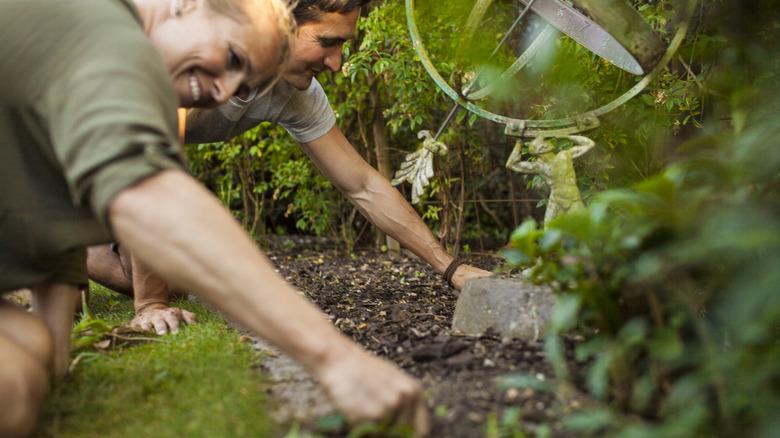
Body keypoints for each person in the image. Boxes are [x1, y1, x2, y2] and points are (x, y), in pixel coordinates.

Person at [0, 0, 428, 436]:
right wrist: (334, 357)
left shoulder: (101, 68)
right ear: (187, 5)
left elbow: (46, 194)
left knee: (33, 351)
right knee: (13, 386)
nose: (223, 94)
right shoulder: (102, 31)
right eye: (233, 59)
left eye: (243, 84)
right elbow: (152, 198)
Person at [87, 0, 494, 336]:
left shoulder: (294, 93)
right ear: (280, 19)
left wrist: (452, 270)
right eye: (326, 42)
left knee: (172, 278)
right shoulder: (187, 48)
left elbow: (363, 185)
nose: (335, 63)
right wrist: (150, 306)